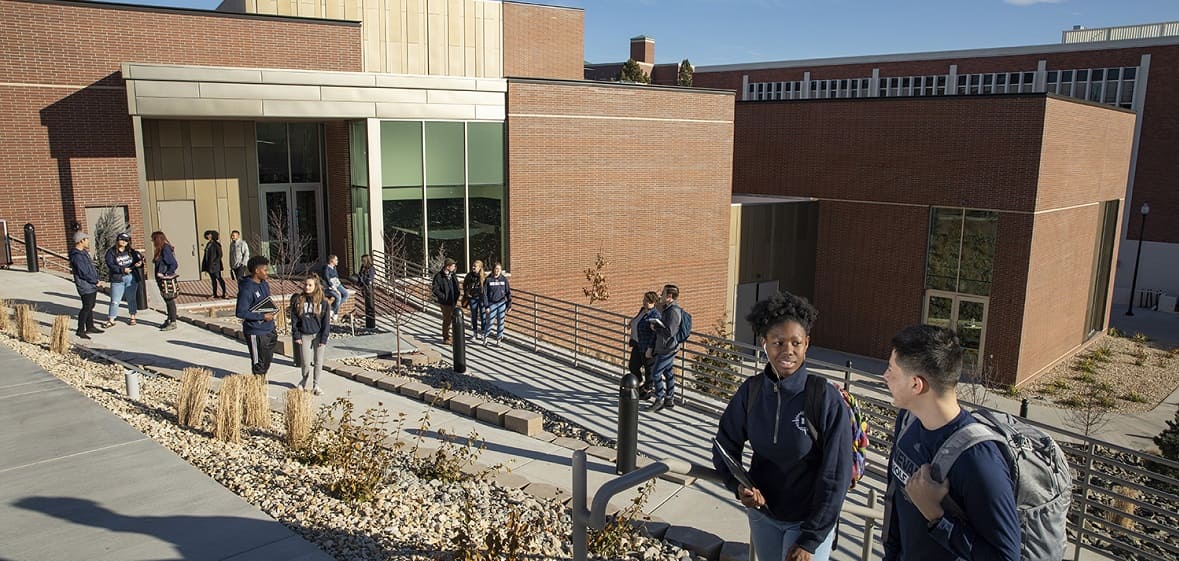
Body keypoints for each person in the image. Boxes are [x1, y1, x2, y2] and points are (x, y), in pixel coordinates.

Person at [712, 291, 851, 561]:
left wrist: (810, 540)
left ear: (807, 344)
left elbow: (836, 475)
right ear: (764, 343)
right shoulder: (751, 392)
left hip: (807, 523)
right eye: (778, 342)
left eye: (796, 343)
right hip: (764, 517)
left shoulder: (824, 398)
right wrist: (740, 486)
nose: (787, 350)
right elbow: (723, 446)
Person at [881, 325, 1020, 561]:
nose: (885, 376)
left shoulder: (978, 460)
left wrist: (937, 517)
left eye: (892, 371)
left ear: (917, 384)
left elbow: (1006, 557)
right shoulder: (907, 421)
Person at [236, 255, 277, 377]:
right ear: (256, 271)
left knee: (267, 360)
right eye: (265, 270)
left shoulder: (264, 284)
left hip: (269, 329)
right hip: (255, 331)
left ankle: (262, 376)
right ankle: (258, 385)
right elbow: (240, 312)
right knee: (259, 363)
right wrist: (262, 316)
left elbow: (265, 302)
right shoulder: (247, 289)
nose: (267, 272)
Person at [290, 275, 330, 395]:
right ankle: (303, 380)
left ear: (315, 286)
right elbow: (294, 319)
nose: (307, 287)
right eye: (305, 285)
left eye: (310, 285)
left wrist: (324, 337)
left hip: (318, 335)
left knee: (318, 361)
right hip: (304, 335)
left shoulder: (323, 302)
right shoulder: (299, 300)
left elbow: (326, 322)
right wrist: (296, 335)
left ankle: (316, 384)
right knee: (305, 362)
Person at [646, 284, 684, 411]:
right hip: (665, 347)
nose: (660, 295)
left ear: (669, 296)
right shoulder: (667, 308)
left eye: (663, 293)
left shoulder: (673, 311)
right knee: (668, 373)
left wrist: (655, 327)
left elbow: (670, 332)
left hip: (668, 348)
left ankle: (660, 399)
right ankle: (669, 398)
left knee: (655, 373)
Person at [68, 231, 102, 339]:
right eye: (86, 240)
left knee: (91, 306)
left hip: (91, 284)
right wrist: (94, 280)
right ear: (81, 241)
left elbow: (90, 268)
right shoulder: (76, 255)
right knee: (86, 307)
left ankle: (90, 326)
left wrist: (96, 278)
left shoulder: (84, 252)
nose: (88, 242)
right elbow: (83, 272)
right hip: (85, 285)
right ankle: (80, 330)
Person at [103, 232, 142, 327]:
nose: (124, 242)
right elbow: (111, 265)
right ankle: (111, 318)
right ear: (117, 240)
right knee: (115, 300)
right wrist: (122, 270)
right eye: (122, 240)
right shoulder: (111, 252)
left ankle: (132, 317)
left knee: (131, 298)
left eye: (126, 240)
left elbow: (138, 260)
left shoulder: (131, 251)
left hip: (131, 278)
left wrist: (139, 263)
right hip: (117, 279)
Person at [627, 291, 661, 398]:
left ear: (653, 302)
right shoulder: (642, 310)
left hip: (647, 347)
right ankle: (641, 384)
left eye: (647, 301)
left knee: (648, 370)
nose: (644, 302)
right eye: (644, 300)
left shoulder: (655, 315)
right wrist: (632, 322)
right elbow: (638, 319)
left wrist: (650, 348)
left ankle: (647, 390)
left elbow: (654, 334)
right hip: (637, 343)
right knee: (633, 366)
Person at [150, 231, 179, 331]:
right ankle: (169, 319)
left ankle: (173, 321)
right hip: (160, 279)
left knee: (169, 300)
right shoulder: (161, 249)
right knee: (166, 300)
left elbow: (173, 264)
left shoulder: (165, 249)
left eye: (153, 239)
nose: (152, 242)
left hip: (165, 280)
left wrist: (166, 273)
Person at [481, 262, 511, 346]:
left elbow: (508, 292)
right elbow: (485, 294)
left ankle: (499, 339)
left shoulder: (504, 279)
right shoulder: (488, 280)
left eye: (499, 269)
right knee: (490, 321)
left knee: (501, 322)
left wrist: (509, 304)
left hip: (501, 303)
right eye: (496, 269)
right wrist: (486, 306)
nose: (497, 271)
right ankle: (485, 337)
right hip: (491, 304)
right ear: (493, 269)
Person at [431, 257, 460, 344]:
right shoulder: (439, 276)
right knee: (447, 319)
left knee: (453, 319)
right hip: (445, 302)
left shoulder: (453, 275)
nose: (454, 268)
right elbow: (435, 289)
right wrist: (443, 297)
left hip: (452, 301)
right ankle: (446, 337)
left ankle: (451, 335)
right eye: (453, 266)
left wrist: (457, 294)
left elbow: (457, 286)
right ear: (447, 266)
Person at [460, 260, 487, 342]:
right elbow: (464, 284)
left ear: (480, 268)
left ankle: (483, 333)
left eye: (475, 266)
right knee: (474, 315)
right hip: (473, 298)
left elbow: (487, 288)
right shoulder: (469, 275)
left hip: (481, 298)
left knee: (483, 316)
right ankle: (474, 333)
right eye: (473, 266)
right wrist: (466, 292)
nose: (473, 267)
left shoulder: (484, 277)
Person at [321, 254, 348, 321]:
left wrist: (339, 285)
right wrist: (335, 289)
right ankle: (335, 313)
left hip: (337, 284)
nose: (337, 261)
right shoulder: (326, 268)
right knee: (338, 296)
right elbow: (327, 279)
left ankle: (333, 309)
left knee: (346, 294)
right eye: (336, 260)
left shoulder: (334, 268)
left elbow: (336, 277)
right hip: (329, 286)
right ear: (332, 260)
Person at [201, 230, 227, 299]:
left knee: (219, 278)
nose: (208, 236)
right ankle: (214, 293)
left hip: (215, 266)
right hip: (209, 265)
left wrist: (215, 262)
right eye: (207, 235)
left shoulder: (216, 244)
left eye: (209, 235)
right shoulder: (208, 244)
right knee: (213, 280)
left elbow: (220, 255)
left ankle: (225, 292)